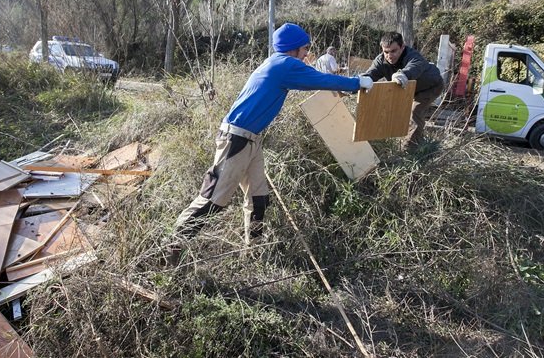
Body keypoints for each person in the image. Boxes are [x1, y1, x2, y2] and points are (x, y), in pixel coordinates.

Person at [170, 23, 373, 255]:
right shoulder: (284, 64)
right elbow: (321, 80)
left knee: (259, 199)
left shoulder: (275, 63)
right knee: (213, 199)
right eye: (304, 48)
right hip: (236, 139)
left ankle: (254, 251)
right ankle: (169, 246)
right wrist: (357, 83)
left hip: (251, 139)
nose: (307, 53)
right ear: (292, 49)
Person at [363, 32, 444, 147]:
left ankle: (410, 149)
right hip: (409, 89)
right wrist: (353, 84)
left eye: (393, 51)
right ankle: (393, 142)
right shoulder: (380, 61)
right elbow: (369, 76)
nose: (389, 56)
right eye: (386, 52)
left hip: (430, 87)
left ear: (402, 47)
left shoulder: (413, 55)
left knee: (414, 112)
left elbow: (414, 66)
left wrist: (403, 74)